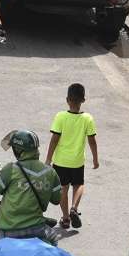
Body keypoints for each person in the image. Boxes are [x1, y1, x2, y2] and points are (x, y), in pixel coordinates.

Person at [0, 130, 62, 246]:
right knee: (53, 241)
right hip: (38, 229)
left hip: (9, 231)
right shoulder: (50, 172)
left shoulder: (11, 169)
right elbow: (56, 199)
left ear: (18, 150)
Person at [45, 83, 98, 230]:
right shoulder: (88, 118)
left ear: (67, 99)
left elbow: (55, 139)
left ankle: (66, 218)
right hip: (77, 161)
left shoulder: (60, 116)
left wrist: (49, 158)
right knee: (78, 184)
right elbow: (92, 141)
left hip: (61, 161)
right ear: (84, 100)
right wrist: (95, 158)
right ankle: (74, 207)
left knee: (63, 188)